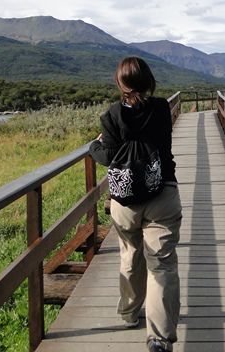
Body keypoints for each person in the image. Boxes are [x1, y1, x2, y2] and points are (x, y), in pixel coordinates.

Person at [90, 56, 182, 352]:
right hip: (162, 193)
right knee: (162, 264)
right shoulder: (161, 109)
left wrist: (94, 146)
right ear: (149, 80)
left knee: (130, 255)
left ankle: (130, 313)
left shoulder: (112, 115)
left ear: (120, 84)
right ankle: (159, 338)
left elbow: (108, 157)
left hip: (126, 201)